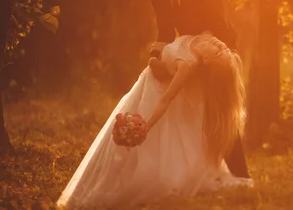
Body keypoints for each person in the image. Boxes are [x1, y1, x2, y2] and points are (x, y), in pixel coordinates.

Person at [56, 33, 250, 209]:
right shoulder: (204, 36)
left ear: (206, 60)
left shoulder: (188, 64)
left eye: (218, 51)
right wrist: (155, 58)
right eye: (222, 46)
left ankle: (141, 179)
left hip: (155, 95)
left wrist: (145, 125)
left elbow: (166, 99)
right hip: (144, 88)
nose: (218, 43)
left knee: (153, 151)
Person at [147, 0, 251, 180]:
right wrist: (156, 56)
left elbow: (223, 30)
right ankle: (195, 171)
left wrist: (205, 46)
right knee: (188, 106)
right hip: (192, 49)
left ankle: (241, 177)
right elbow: (164, 28)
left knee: (220, 113)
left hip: (219, 49)